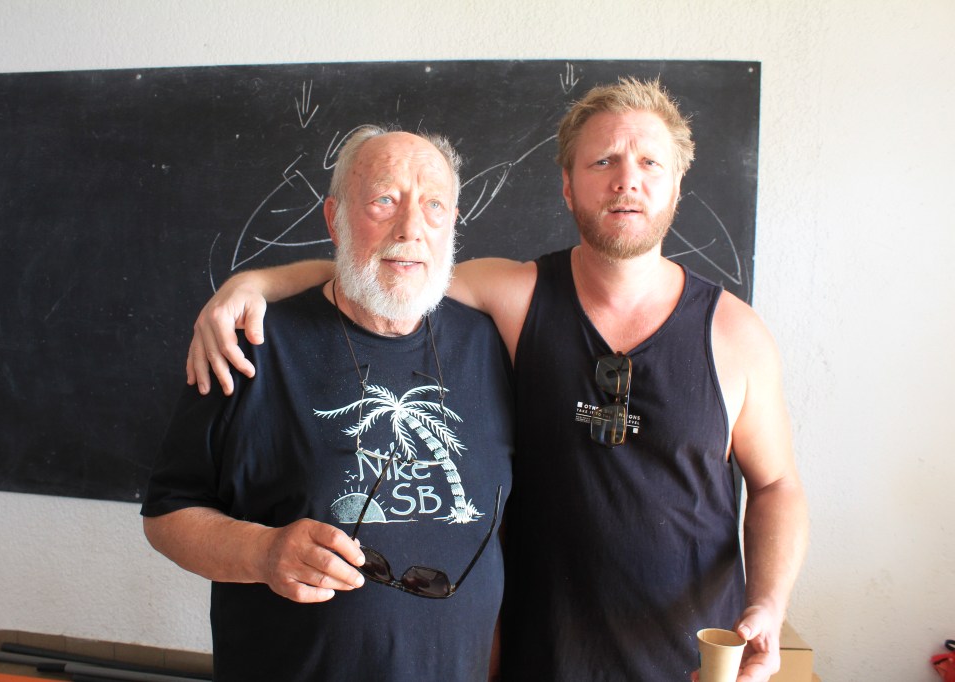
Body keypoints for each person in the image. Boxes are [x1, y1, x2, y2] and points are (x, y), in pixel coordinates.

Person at [184, 78, 808, 682]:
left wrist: (768, 605)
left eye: (650, 162)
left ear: (677, 184)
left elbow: (777, 485)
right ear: (567, 186)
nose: (627, 179)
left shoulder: (735, 334)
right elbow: (389, 265)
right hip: (539, 659)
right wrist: (255, 283)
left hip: (693, 661)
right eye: (603, 161)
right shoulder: (515, 298)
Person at [142, 126, 514, 682]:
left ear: (453, 222)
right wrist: (263, 552)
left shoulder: (492, 345)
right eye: (384, 200)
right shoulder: (252, 345)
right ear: (334, 218)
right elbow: (167, 515)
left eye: (433, 205)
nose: (411, 227)